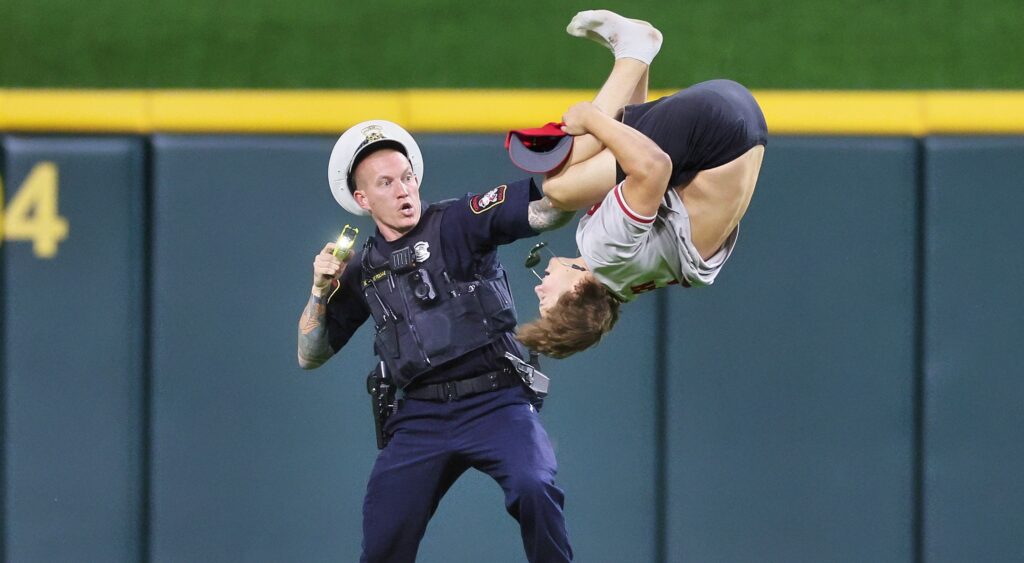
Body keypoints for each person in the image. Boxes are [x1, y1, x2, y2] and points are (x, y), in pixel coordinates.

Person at [296, 118, 577, 560]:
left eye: (406, 177)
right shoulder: (360, 269)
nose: (403, 190)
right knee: (384, 532)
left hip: (496, 399)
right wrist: (317, 292)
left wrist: (578, 175)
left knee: (534, 485)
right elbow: (309, 356)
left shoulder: (458, 221)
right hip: (421, 416)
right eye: (385, 183)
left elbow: (546, 212)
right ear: (361, 198)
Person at [515, 10, 769, 359]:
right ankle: (635, 50)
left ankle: (635, 56)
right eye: (547, 303)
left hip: (743, 127)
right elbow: (653, 165)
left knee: (608, 159)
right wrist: (589, 117)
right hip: (716, 128)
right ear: (576, 291)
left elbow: (635, 158)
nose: (540, 290)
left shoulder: (627, 280)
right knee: (559, 187)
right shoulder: (605, 254)